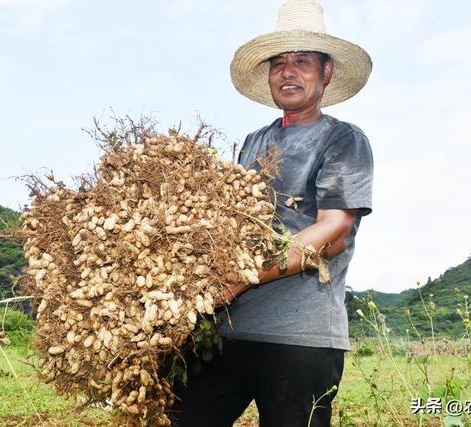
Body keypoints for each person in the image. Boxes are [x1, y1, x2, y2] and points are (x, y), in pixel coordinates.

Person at [171, 1, 373, 426]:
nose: (288, 71)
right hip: (227, 332)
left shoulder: (342, 139)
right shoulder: (253, 142)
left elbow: (334, 231)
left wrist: (241, 276)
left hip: (301, 339)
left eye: (302, 61)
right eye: (278, 62)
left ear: (326, 73)